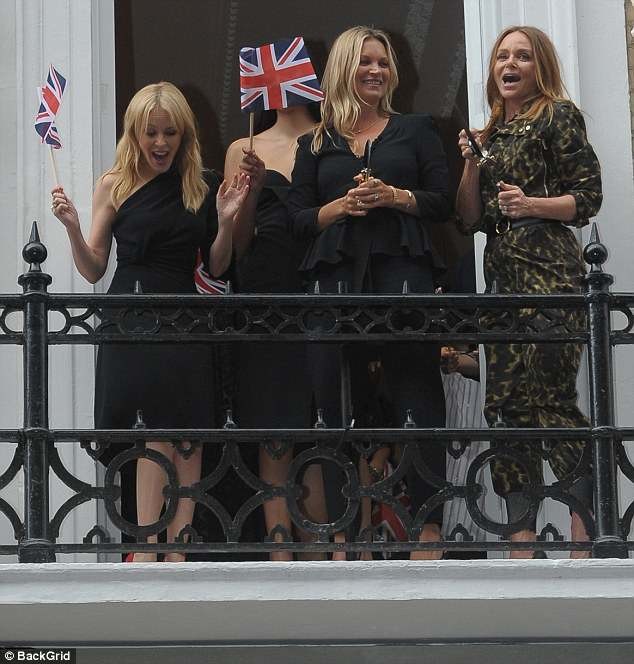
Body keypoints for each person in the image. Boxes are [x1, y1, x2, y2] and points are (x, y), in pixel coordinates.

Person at [51, 81, 248, 562]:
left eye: (170, 133)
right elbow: (94, 267)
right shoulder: (114, 184)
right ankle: (144, 548)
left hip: (184, 314)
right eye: (151, 133)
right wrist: (73, 228)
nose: (160, 143)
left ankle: (178, 551)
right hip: (133, 317)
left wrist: (225, 221)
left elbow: (218, 266)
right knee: (152, 430)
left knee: (188, 434)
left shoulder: (202, 184)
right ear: (135, 133)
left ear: (184, 135)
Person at [287, 26, 451, 560]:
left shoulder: (417, 129)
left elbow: (443, 201)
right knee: (336, 400)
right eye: (365, 62)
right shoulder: (315, 143)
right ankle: (343, 533)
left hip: (403, 273)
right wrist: (342, 207)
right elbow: (296, 218)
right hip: (335, 279)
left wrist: (394, 196)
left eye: (383, 62)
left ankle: (427, 530)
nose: (376, 70)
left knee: (417, 395)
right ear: (343, 69)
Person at [455, 26, 602, 558]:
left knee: (551, 399)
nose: (509, 64)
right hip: (502, 281)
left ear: (540, 67)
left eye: (522, 56)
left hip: (548, 274)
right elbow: (468, 218)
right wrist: (470, 160)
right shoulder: (492, 133)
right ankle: (522, 544)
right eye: (502, 56)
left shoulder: (557, 115)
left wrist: (532, 204)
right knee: (507, 408)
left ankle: (585, 538)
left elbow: (589, 197)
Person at [223, 104, 326, 561]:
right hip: (265, 299)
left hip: (321, 288)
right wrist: (253, 190)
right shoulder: (243, 148)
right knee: (274, 428)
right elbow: (237, 244)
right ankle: (280, 556)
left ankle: (324, 554)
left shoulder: (333, 138)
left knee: (322, 431)